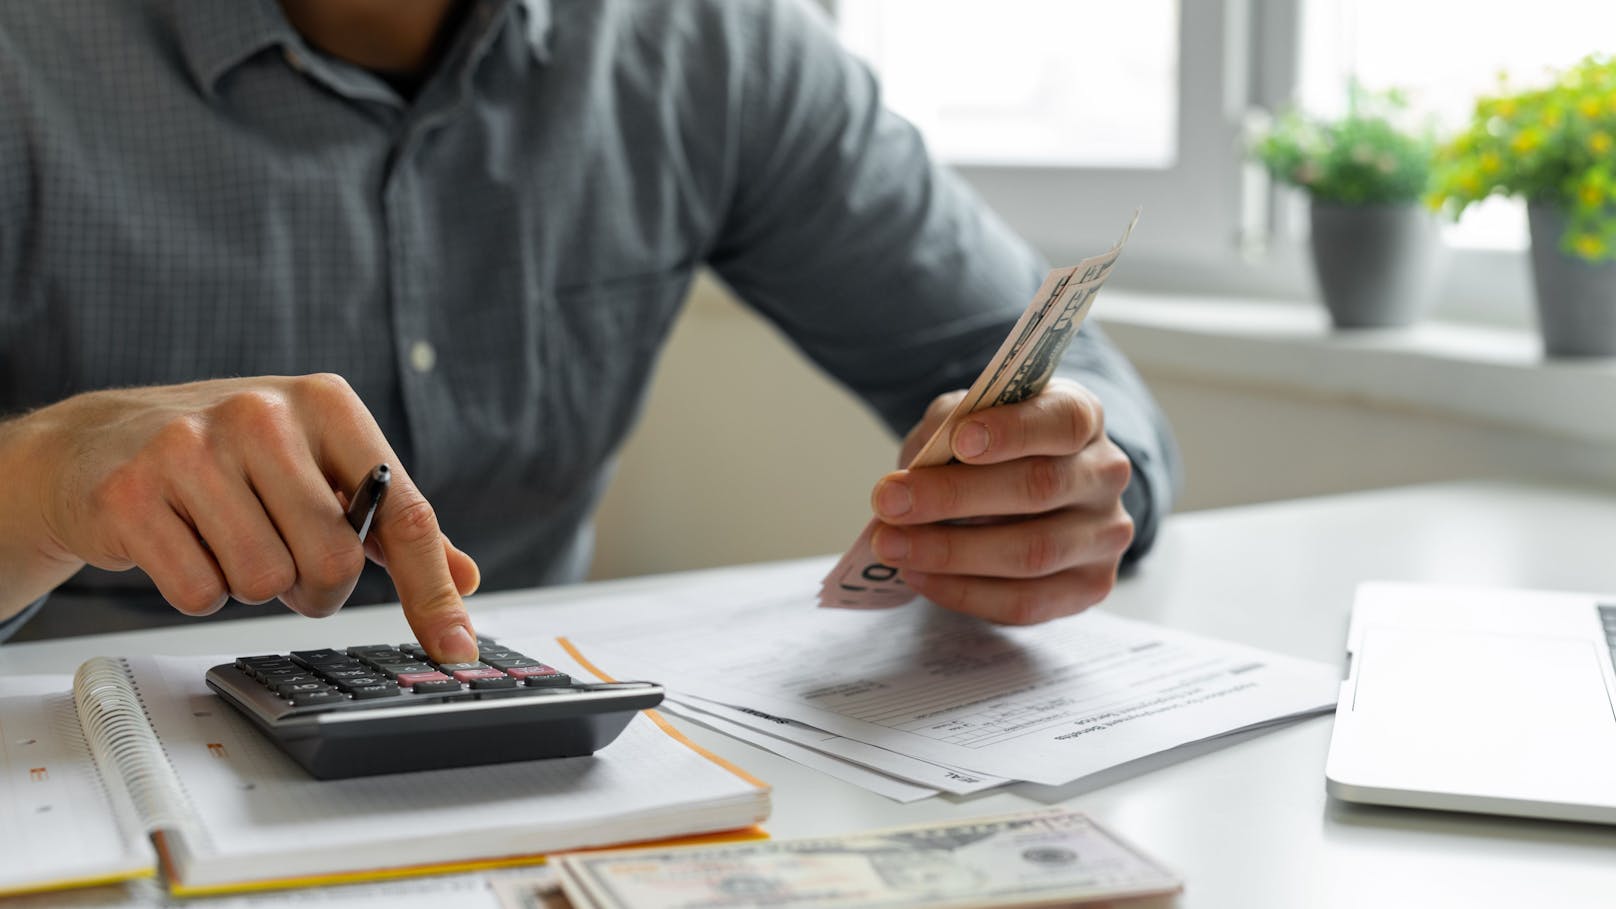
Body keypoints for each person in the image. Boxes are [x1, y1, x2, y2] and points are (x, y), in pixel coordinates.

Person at [0, 0, 1181, 661]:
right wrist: (36, 483)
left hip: (544, 790)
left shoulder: (715, 46)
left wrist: (1055, 484)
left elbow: (1056, 369)